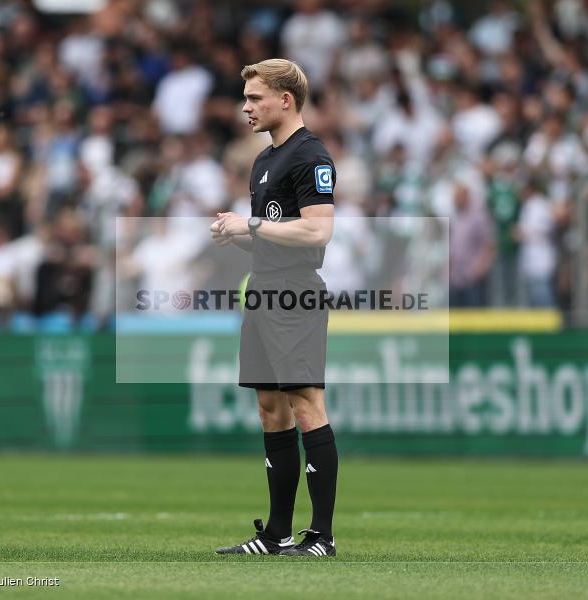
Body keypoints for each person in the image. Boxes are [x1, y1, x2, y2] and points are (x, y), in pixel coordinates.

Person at [210, 59, 338, 557]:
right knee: (269, 408)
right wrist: (239, 236)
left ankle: (322, 536)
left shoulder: (310, 155)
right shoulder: (264, 160)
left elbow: (318, 231)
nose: (246, 107)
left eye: (255, 98)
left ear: (285, 100)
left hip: (296, 294)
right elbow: (275, 235)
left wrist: (251, 226)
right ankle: (276, 533)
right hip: (263, 290)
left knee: (306, 404)